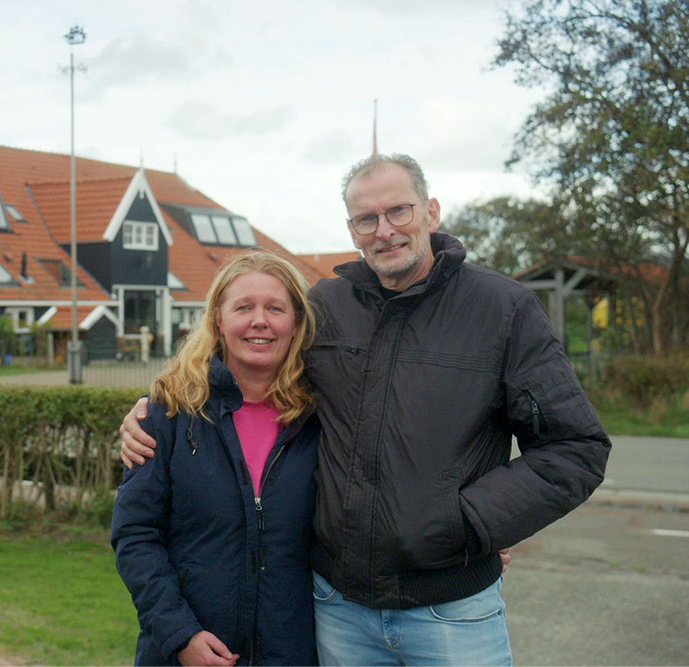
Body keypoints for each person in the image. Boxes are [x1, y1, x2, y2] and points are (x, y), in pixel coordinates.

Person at [119, 153, 611, 665]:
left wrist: (475, 523)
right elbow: (247, 367)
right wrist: (150, 411)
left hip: (451, 611)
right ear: (352, 230)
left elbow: (576, 447)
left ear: (431, 212)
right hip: (339, 612)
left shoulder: (502, 309)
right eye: (366, 219)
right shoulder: (327, 309)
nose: (385, 230)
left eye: (399, 211)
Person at [112, 251, 321, 666]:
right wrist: (179, 634)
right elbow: (135, 534)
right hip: (184, 653)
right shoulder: (169, 413)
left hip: (292, 653)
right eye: (243, 308)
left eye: (275, 308)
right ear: (218, 321)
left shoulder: (323, 417)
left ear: (296, 323)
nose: (259, 321)